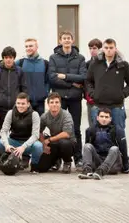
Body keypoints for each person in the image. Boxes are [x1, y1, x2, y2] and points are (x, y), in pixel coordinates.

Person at [86, 38, 129, 174]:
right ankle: (94, 163)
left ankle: (125, 165)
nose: (108, 50)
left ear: (115, 48)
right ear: (103, 49)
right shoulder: (95, 63)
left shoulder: (123, 65)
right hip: (98, 105)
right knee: (95, 133)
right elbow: (88, 81)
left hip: (117, 106)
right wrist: (93, 93)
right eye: (106, 48)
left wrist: (122, 94)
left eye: (111, 47)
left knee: (120, 134)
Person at [48, 31, 87, 168]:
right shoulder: (53, 57)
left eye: (68, 38)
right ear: (60, 40)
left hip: (75, 98)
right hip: (60, 99)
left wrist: (64, 76)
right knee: (58, 130)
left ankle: (78, 158)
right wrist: (71, 83)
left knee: (75, 129)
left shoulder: (80, 58)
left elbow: (83, 77)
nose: (66, 41)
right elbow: (52, 78)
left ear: (72, 40)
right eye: (64, 38)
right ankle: (58, 160)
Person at [0, 93, 42, 173]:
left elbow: (35, 135)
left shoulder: (34, 114)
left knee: (38, 146)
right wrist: (7, 145)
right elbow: (3, 131)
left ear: (28, 104)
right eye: (18, 103)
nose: (20, 106)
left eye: (23, 103)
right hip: (14, 142)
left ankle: (34, 166)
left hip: (28, 144)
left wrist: (23, 147)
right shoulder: (10, 113)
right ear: (16, 103)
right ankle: (8, 160)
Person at [0, 46, 28, 137]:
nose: (8, 60)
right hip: (1, 109)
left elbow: (24, 90)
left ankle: (14, 151)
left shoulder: (19, 71)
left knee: (16, 135)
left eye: (10, 57)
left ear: (14, 58)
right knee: (1, 134)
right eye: (6, 57)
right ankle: (1, 152)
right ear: (3, 58)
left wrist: (24, 107)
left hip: (16, 109)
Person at [78, 108, 123, 180]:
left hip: (112, 164)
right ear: (97, 118)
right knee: (87, 146)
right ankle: (87, 170)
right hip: (98, 161)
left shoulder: (117, 130)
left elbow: (124, 149)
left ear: (110, 119)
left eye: (106, 117)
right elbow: (88, 151)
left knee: (114, 148)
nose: (104, 119)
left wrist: (127, 168)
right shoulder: (90, 130)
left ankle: (101, 171)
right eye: (101, 116)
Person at [35, 93, 75, 173]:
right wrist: (43, 144)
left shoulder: (66, 115)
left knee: (64, 143)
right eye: (52, 102)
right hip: (54, 144)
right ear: (48, 104)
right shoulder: (44, 116)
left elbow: (66, 134)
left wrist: (49, 140)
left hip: (68, 143)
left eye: (56, 102)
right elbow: (39, 131)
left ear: (60, 104)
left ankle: (67, 162)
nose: (54, 104)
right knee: (41, 168)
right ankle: (56, 161)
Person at [16, 38, 50, 115]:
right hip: (25, 102)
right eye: (26, 46)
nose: (28, 48)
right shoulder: (20, 63)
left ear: (37, 47)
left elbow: (48, 81)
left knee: (39, 126)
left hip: (40, 102)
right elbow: (7, 65)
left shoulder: (45, 63)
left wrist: (45, 93)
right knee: (26, 126)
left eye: (31, 46)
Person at [84, 38, 103, 126]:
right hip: (91, 99)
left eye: (94, 48)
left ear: (100, 49)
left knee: (103, 123)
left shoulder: (105, 63)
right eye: (90, 48)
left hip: (104, 99)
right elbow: (86, 80)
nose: (92, 50)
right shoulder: (87, 64)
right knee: (92, 124)